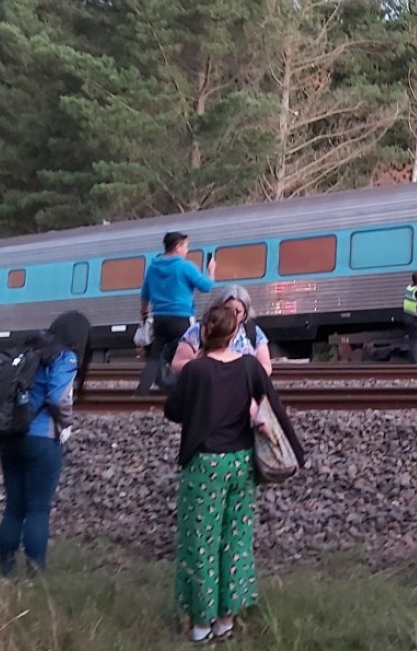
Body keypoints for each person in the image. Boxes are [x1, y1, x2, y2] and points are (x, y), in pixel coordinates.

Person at [164, 304, 303, 644]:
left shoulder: (196, 371)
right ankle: (226, 619)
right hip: (242, 463)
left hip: (205, 465)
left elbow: (173, 411)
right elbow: (273, 404)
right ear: (235, 334)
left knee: (201, 541)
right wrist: (296, 452)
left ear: (205, 333)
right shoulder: (249, 367)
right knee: (236, 540)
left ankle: (201, 623)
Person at [0, 311, 87, 577]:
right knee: (37, 510)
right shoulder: (66, 356)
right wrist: (67, 423)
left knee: (14, 506)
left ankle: (6, 573)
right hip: (42, 440)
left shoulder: (30, 348)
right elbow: (58, 399)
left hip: (9, 436)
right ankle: (35, 578)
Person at [138, 231, 216, 395]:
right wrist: (211, 271)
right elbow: (206, 286)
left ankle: (142, 392)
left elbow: (145, 295)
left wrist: (144, 314)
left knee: (155, 356)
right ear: (177, 246)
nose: (187, 250)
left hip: (159, 318)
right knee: (190, 352)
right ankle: (190, 388)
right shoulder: (185, 266)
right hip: (181, 318)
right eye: (186, 246)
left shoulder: (152, 267)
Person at [171, 286, 272, 376]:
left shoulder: (253, 332)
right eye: (227, 309)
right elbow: (177, 364)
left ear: (245, 314)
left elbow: (266, 367)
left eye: (238, 311)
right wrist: (201, 365)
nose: (232, 315)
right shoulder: (199, 329)